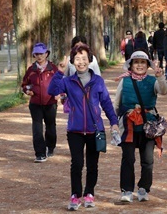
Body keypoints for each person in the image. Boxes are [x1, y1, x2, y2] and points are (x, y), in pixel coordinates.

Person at [48, 44, 119, 211]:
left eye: (84, 59)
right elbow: (52, 90)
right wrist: (59, 72)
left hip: (95, 129)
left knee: (93, 165)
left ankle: (89, 193)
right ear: (72, 61)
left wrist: (114, 123)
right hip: (75, 130)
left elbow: (107, 104)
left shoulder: (98, 81)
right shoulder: (68, 81)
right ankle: (75, 195)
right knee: (77, 163)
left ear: (90, 60)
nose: (81, 62)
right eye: (77, 59)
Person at [114, 51, 167, 203]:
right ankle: (127, 190)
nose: (139, 65)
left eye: (143, 62)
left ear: (147, 65)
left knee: (147, 159)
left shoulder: (153, 81)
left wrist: (160, 77)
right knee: (128, 158)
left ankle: (144, 187)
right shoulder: (124, 81)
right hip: (128, 125)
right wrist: (116, 122)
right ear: (130, 65)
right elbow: (117, 104)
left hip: (148, 125)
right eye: (136, 62)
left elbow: (163, 91)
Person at [21, 42, 59, 163]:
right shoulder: (31, 70)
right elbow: (24, 85)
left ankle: (50, 147)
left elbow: (60, 83)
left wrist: (60, 94)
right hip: (35, 104)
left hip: (50, 103)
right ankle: (40, 154)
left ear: (46, 54)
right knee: (37, 129)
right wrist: (28, 91)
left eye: (41, 53)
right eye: (36, 54)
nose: (39, 56)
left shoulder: (53, 69)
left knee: (51, 127)